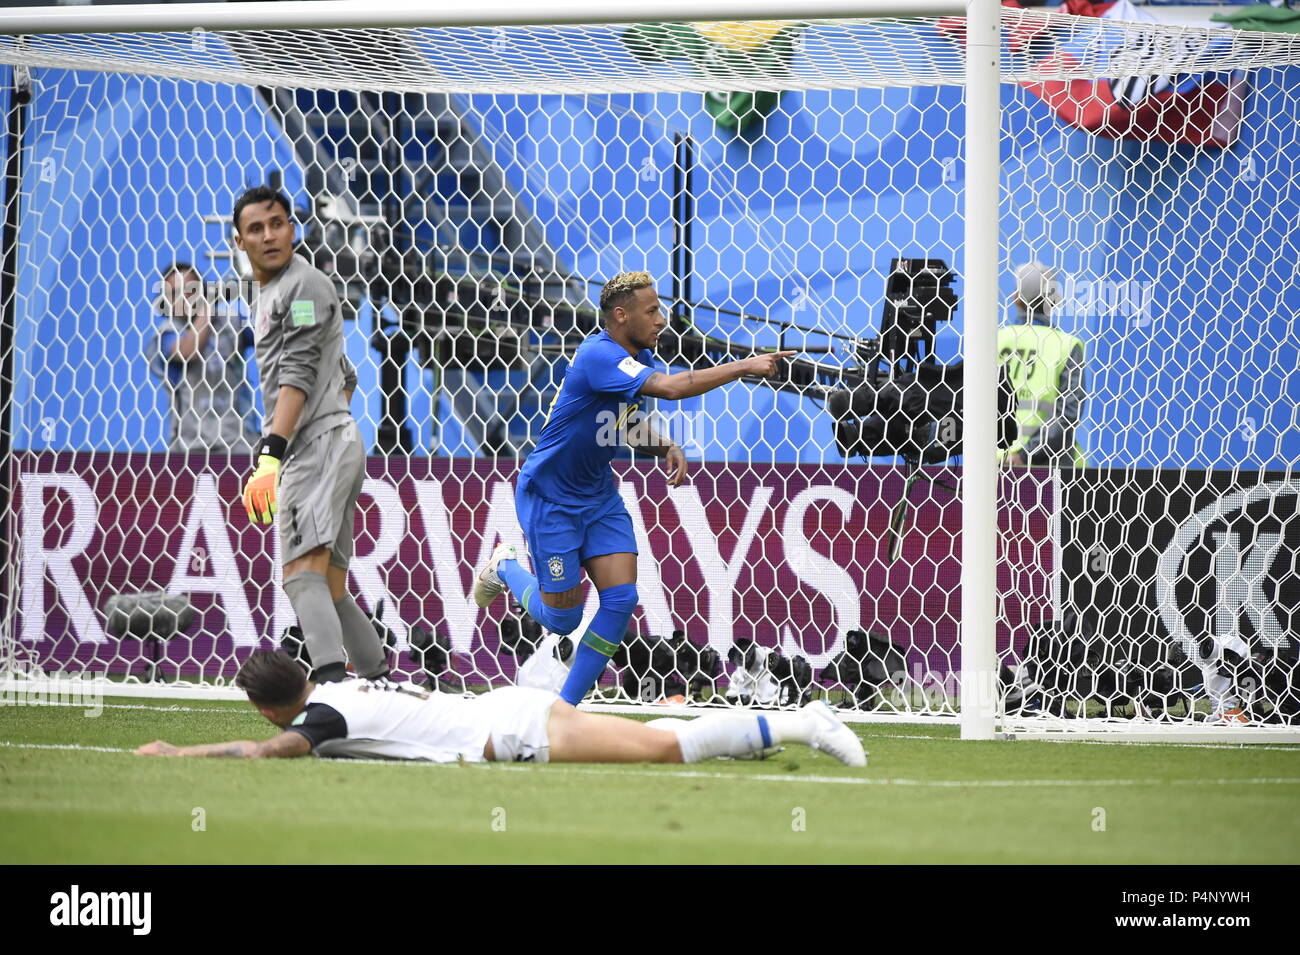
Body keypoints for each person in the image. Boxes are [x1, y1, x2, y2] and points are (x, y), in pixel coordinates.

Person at [471, 271, 794, 705]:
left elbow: (619, 424)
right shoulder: (599, 355)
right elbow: (672, 388)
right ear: (621, 315)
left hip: (599, 499)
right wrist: (743, 365)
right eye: (652, 311)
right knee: (562, 620)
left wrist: (663, 446)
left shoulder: (631, 364)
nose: (661, 320)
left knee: (621, 599)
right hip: (552, 499)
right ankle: (505, 565)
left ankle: (565, 706)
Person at [134, 649, 867, 766]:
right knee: (657, 736)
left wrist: (178, 753)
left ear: (270, 709)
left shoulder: (320, 720)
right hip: (503, 710)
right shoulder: (338, 686)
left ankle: (807, 720)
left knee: (659, 747)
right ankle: (776, 730)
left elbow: (270, 754)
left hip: (508, 726)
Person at [233, 185, 387, 684]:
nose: (269, 234)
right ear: (239, 241)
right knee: (331, 584)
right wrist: (324, 429)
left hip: (317, 448)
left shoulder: (303, 286)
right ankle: (379, 682)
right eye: (256, 228)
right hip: (331, 441)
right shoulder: (279, 291)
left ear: (293, 228)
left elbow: (297, 375)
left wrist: (273, 455)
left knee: (301, 577)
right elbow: (344, 376)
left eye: (277, 223)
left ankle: (331, 691)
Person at [147, 261, 260, 455]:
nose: (183, 297)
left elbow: (268, 334)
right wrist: (208, 305)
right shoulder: (165, 335)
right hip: (191, 448)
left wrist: (256, 289)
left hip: (240, 441)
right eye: (174, 293)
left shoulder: (231, 322)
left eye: (190, 289)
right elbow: (188, 351)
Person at [997, 261, 1087, 468]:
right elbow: (1068, 414)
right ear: (1055, 300)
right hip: (1049, 465)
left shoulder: (993, 341)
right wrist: (1026, 455)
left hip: (994, 463)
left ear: (1015, 299)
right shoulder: (1067, 345)